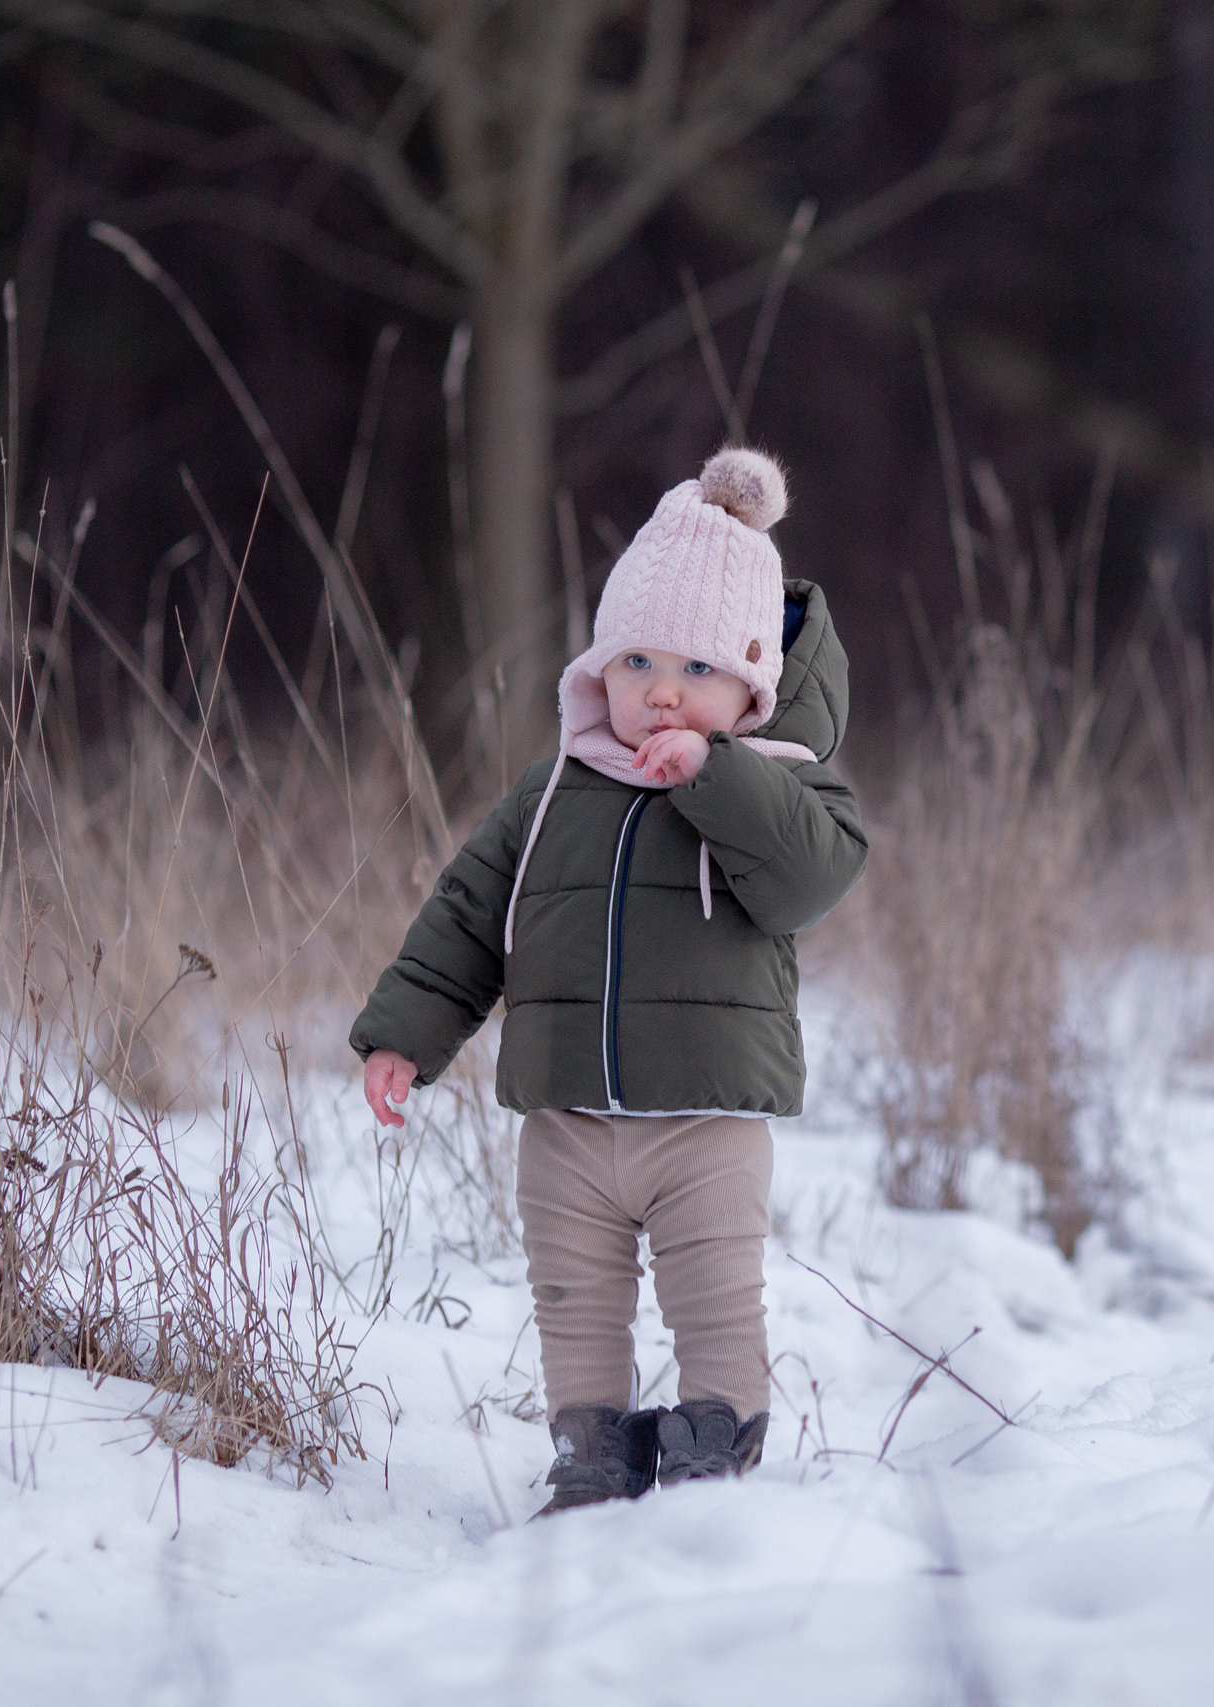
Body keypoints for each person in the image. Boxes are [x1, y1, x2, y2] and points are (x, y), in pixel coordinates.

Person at [350, 447, 866, 1514]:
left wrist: (713, 778)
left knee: (712, 1294)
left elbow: (809, 881)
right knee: (574, 1296)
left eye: (695, 672)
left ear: (751, 687)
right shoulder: (552, 794)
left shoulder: (781, 785)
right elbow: (467, 915)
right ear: (597, 671)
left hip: (707, 1119)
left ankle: (715, 1435)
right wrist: (406, 1032)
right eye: (636, 664)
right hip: (568, 1118)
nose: (661, 691)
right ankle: (590, 1445)